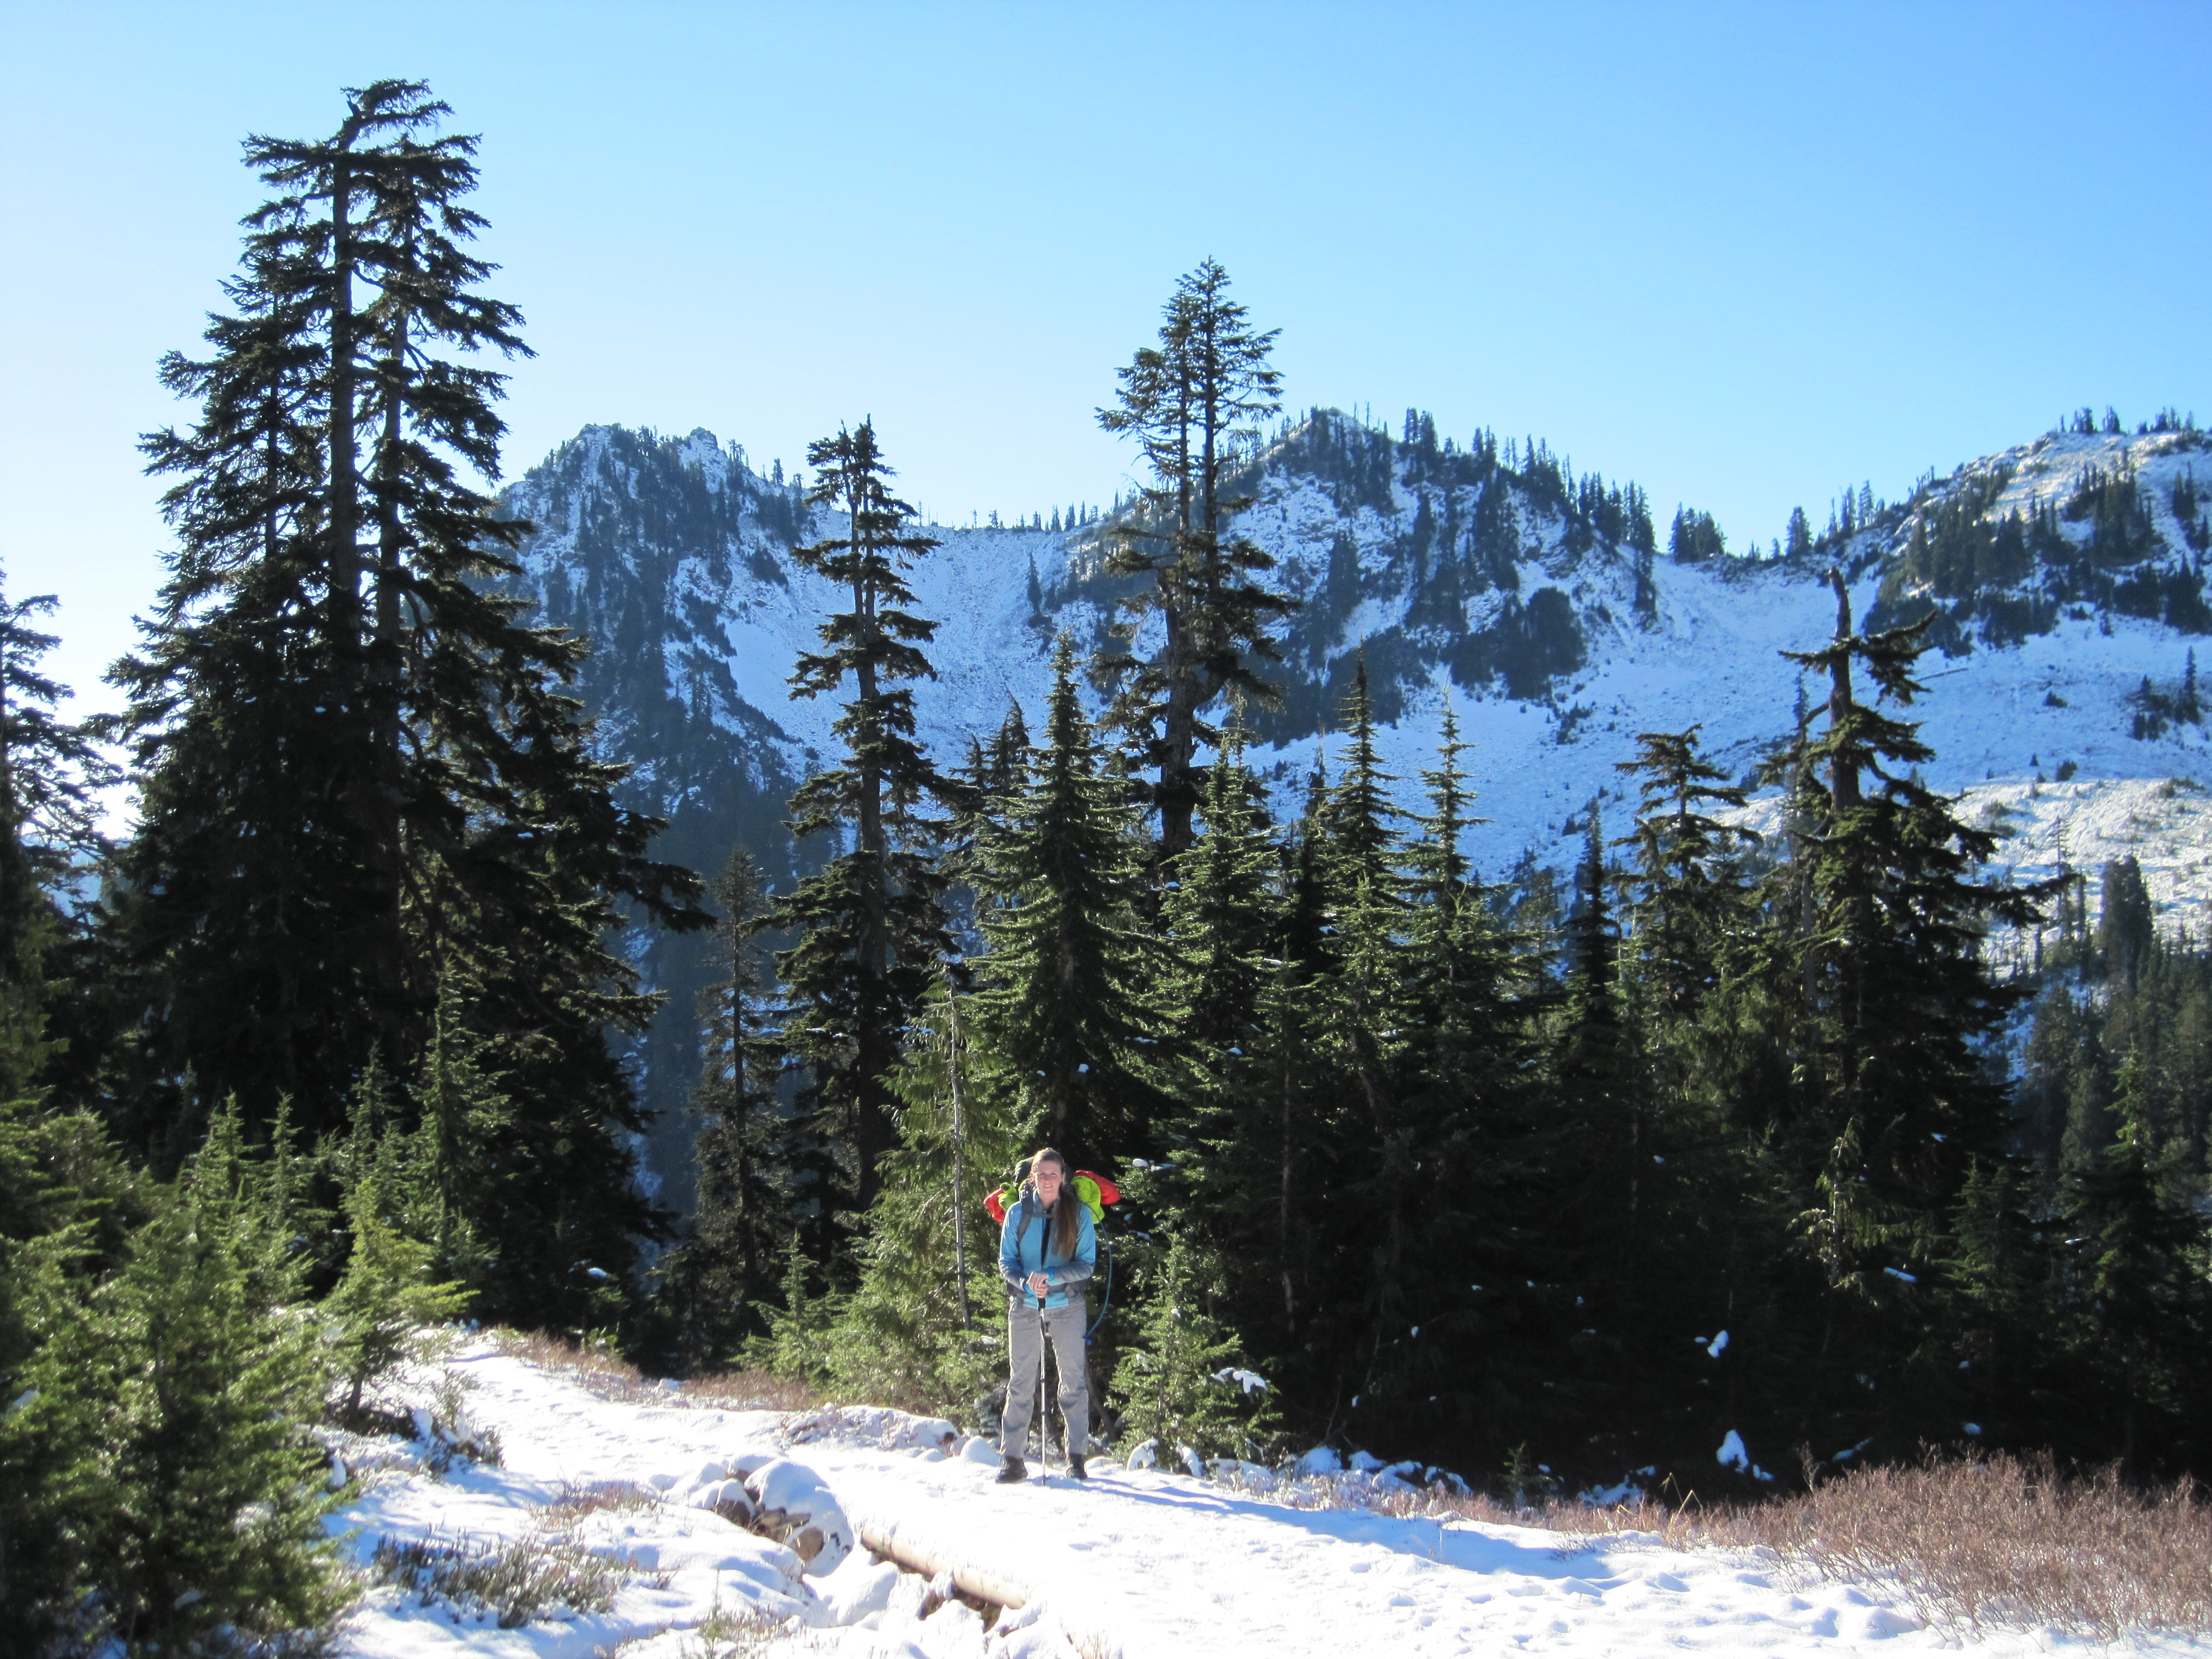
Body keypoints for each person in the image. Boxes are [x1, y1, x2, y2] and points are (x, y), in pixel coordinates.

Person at [995, 1145, 1095, 1483]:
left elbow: (1087, 1265)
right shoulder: (1017, 1213)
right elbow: (1006, 1262)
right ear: (1032, 1178)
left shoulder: (1078, 1214)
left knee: (1073, 1383)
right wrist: (1026, 1283)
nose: (1048, 1180)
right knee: (1020, 1383)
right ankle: (1012, 1460)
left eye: (1054, 1174)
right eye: (1042, 1175)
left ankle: (1076, 1459)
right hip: (1025, 1305)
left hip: (1068, 1306)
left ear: (1063, 1177)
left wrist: (1049, 1277)